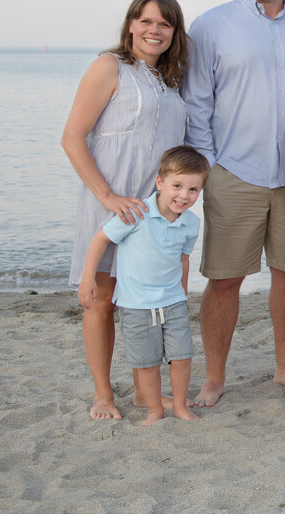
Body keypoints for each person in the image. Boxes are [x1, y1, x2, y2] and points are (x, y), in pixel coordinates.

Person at [181, 0, 285, 407]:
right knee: (223, 279)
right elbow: (198, 103)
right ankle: (214, 377)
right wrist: (210, 169)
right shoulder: (211, 26)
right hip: (234, 172)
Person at [62, 0, 189, 420]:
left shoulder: (171, 82)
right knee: (102, 299)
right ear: (131, 25)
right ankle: (103, 393)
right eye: (147, 21)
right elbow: (72, 137)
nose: (155, 31)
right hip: (111, 201)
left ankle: (142, 391)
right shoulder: (109, 67)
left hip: (154, 212)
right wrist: (108, 197)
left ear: (174, 33)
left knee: (145, 298)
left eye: (165, 24)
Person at [77, 146, 209, 426]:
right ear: (160, 183)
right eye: (177, 186)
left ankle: (181, 407)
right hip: (136, 305)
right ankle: (154, 410)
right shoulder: (136, 213)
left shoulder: (191, 223)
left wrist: (182, 293)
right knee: (147, 363)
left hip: (173, 302)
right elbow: (101, 239)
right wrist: (88, 277)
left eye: (193, 190)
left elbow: (183, 259)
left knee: (182, 357)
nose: (184, 196)